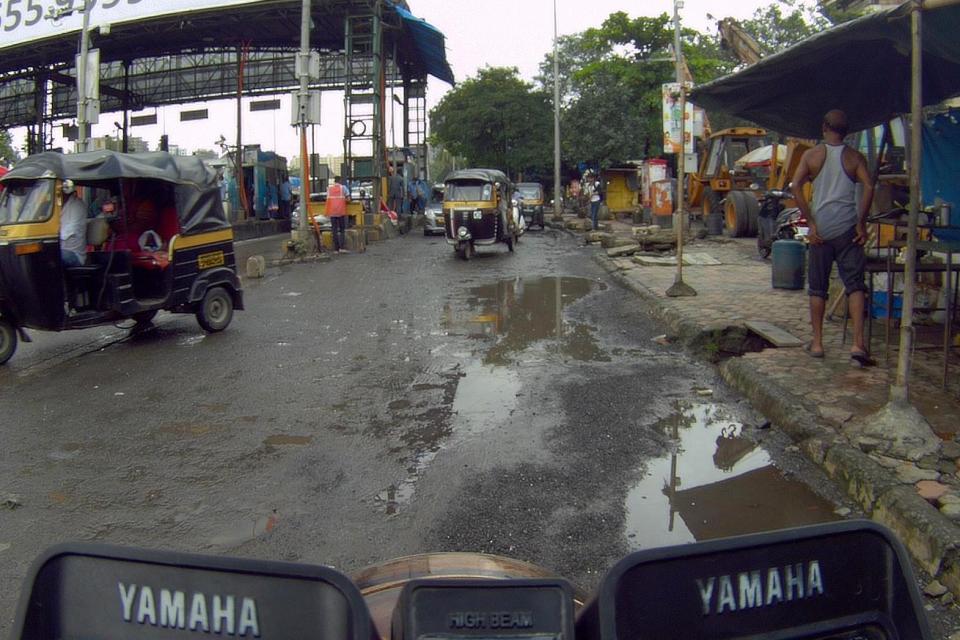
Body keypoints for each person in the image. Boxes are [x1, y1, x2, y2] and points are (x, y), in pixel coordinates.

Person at [792, 109, 875, 365]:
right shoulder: (854, 157)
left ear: (824, 127)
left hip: (821, 232)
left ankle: (817, 343)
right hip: (848, 230)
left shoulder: (812, 156)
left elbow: (795, 186)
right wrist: (861, 222)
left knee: (818, 287)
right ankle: (857, 345)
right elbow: (869, 186)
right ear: (846, 131)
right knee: (855, 286)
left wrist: (811, 222)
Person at [59, 179, 87, 267]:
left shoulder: (78, 205)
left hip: (74, 254)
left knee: (53, 256)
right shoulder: (58, 207)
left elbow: (68, 232)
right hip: (61, 249)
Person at [325, 174, 349, 253]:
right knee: (342, 230)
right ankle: (342, 247)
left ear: (334, 181)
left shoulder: (329, 189)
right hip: (341, 211)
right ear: (340, 180)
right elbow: (348, 199)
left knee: (334, 230)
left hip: (332, 212)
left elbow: (327, 199)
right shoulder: (343, 188)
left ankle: (336, 249)